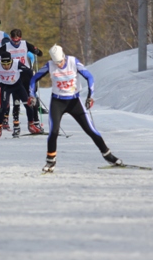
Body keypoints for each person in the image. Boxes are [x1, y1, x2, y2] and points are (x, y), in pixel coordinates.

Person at [28, 44, 123, 172]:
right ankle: (51, 161)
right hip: (57, 102)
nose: (59, 65)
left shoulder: (73, 62)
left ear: (64, 57)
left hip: (74, 102)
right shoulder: (50, 65)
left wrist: (90, 96)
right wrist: (32, 95)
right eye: (56, 62)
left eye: (60, 62)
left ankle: (108, 155)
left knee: (90, 130)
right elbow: (34, 79)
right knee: (54, 132)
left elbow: (89, 77)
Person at [0, 29, 45, 134]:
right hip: (15, 76)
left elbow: (38, 52)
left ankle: (36, 123)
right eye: (14, 41)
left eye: (17, 40)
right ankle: (16, 125)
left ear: (21, 38)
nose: (15, 43)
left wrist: (37, 51)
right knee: (16, 101)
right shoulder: (6, 46)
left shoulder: (24, 44)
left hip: (26, 75)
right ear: (10, 38)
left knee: (32, 98)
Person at [0, 51, 36, 139]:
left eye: (8, 64)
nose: (6, 66)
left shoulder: (16, 63)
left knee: (28, 105)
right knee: (3, 108)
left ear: (11, 61)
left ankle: (31, 125)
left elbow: (28, 71)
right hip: (6, 87)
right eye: (4, 64)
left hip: (18, 85)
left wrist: (33, 76)